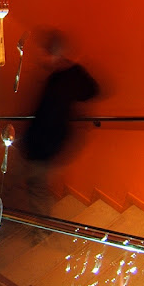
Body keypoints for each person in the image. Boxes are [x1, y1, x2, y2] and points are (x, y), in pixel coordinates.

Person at [19, 28, 99, 214]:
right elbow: (91, 91)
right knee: (36, 184)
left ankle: (43, 226)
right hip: (46, 142)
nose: (40, 58)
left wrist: (32, 144)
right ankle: (42, 220)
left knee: (37, 186)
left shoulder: (66, 77)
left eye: (44, 52)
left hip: (46, 145)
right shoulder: (62, 75)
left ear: (54, 53)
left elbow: (50, 115)